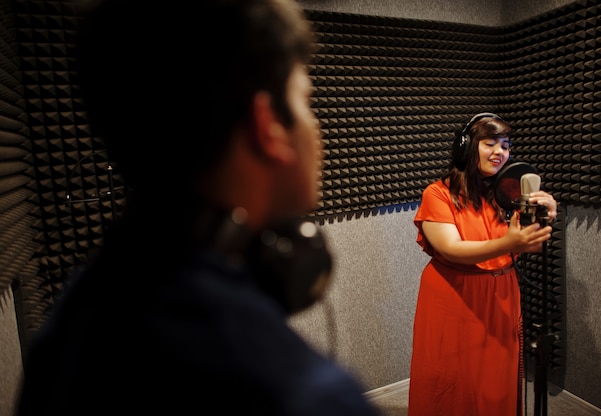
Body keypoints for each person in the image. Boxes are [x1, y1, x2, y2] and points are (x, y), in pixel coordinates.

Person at [15, 1, 380, 415]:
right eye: (305, 101)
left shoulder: (69, 326)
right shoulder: (306, 393)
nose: (316, 128)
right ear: (268, 125)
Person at [407, 113, 558, 416]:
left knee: (495, 380)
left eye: (505, 145)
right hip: (455, 296)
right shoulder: (437, 194)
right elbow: (450, 248)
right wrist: (509, 243)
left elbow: (532, 245)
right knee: (453, 379)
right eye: (490, 143)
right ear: (466, 147)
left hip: (503, 294)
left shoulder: (509, 194)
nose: (500, 152)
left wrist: (546, 219)